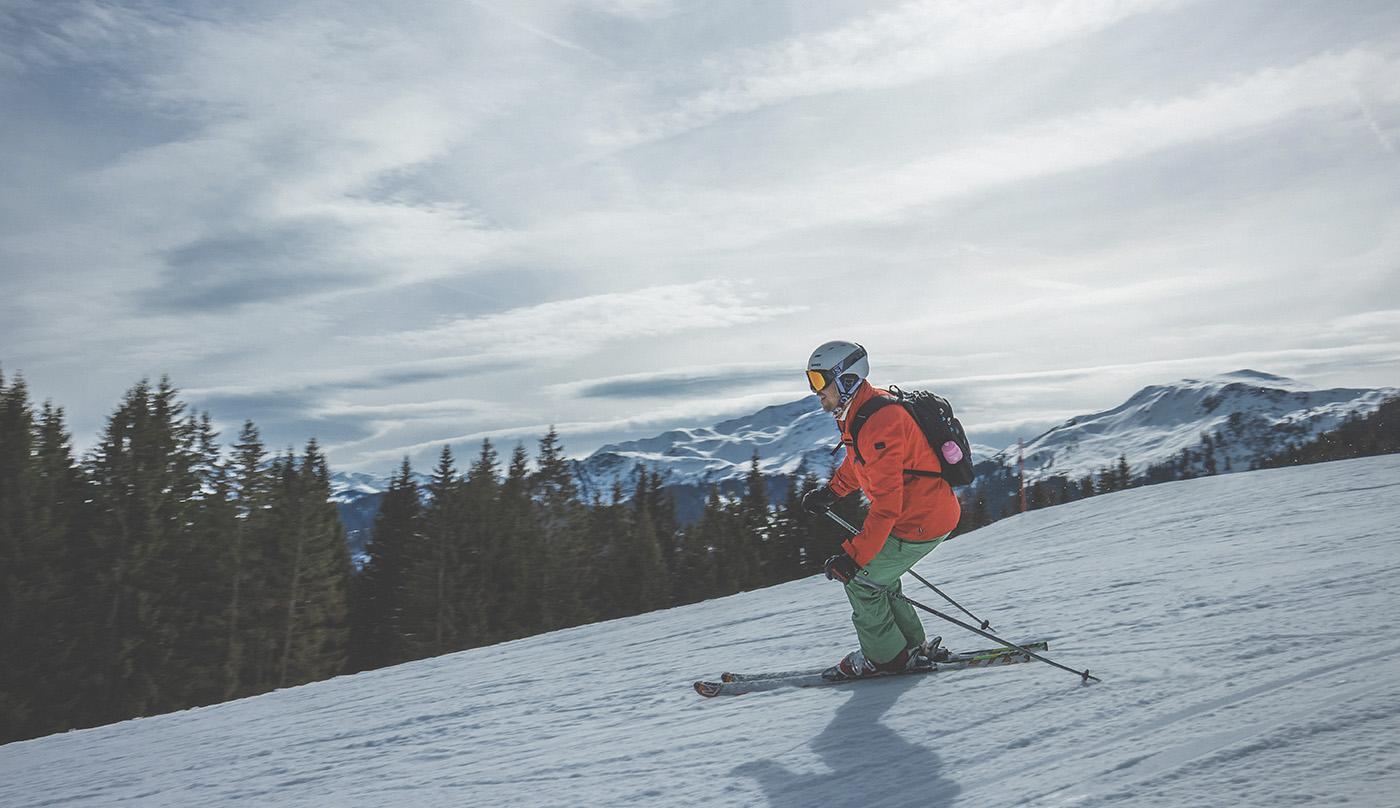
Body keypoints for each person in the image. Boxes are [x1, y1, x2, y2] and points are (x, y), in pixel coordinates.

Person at [801, 340, 962, 679]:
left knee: (862, 581)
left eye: (819, 382)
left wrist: (853, 558)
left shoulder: (879, 422)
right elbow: (858, 463)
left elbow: (887, 508)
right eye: (811, 381)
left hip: (919, 521)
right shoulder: (859, 413)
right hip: (924, 514)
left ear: (845, 379)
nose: (816, 392)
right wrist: (831, 492)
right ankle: (912, 647)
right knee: (881, 579)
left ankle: (887, 658)